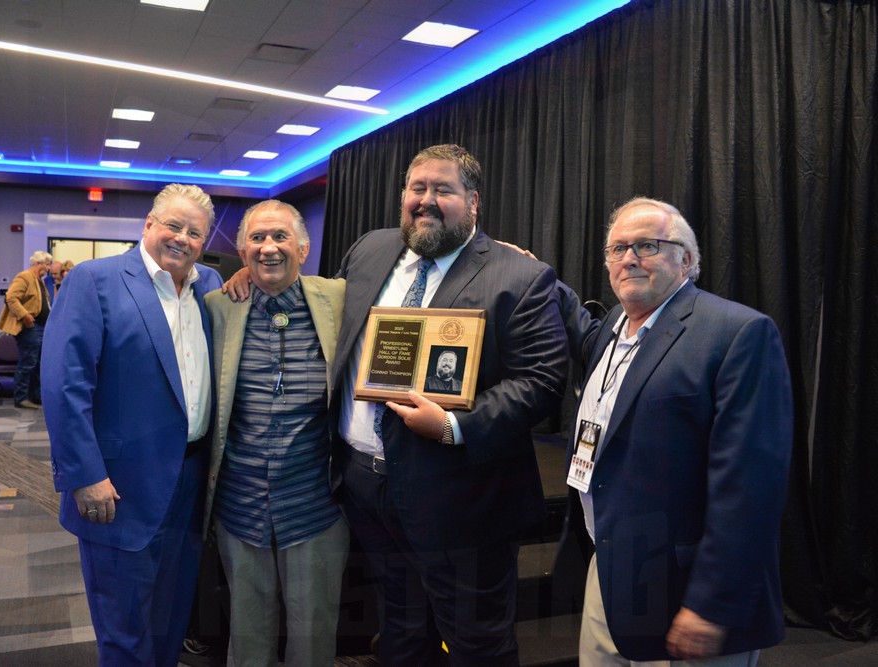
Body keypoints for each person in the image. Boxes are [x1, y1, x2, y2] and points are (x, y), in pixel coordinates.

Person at [330, 144, 569, 665]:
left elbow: (542, 380)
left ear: (473, 202)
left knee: (476, 641)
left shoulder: (521, 276)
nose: (427, 201)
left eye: (444, 190)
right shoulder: (369, 249)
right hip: (365, 486)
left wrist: (454, 427)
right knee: (400, 625)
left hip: (462, 495)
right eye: (418, 188)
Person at [565, 197, 792, 664]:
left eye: (647, 245)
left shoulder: (737, 333)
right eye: (617, 248)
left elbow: (751, 487)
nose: (628, 258)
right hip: (608, 570)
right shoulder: (613, 327)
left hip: (685, 591)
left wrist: (712, 603)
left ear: (686, 260)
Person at [41, 183, 224, 667]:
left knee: (170, 620)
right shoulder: (93, 280)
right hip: (117, 486)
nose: (182, 239)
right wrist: (84, 475)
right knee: (124, 632)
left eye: (195, 233)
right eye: (173, 226)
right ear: (148, 224)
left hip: (189, 483)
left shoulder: (210, 286)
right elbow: (65, 386)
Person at [204, 199, 348, 667]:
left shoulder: (339, 299)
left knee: (314, 636)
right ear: (242, 250)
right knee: (246, 636)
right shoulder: (218, 307)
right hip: (239, 504)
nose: (269, 248)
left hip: (314, 504)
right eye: (257, 238)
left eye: (280, 237)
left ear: (304, 250)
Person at [0, 250, 52, 409]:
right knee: (28, 363)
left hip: (40, 328)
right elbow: (10, 298)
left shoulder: (39, 280)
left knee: (38, 364)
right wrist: (25, 315)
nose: (48, 269)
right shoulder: (25, 276)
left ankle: (36, 397)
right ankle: (21, 398)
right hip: (29, 328)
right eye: (47, 264)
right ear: (39, 264)